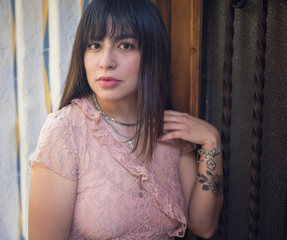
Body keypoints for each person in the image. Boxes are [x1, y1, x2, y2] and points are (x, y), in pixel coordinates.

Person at [28, 0, 223, 239]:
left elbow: (204, 226)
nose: (106, 61)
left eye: (125, 45)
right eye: (95, 45)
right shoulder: (66, 131)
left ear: (151, 54)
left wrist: (211, 142)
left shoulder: (170, 133)